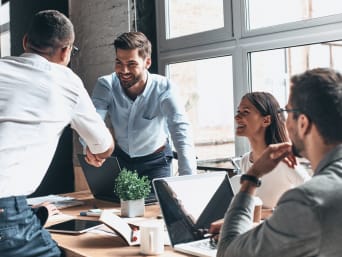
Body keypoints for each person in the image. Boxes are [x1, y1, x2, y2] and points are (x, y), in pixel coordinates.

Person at [0, 10, 114, 257]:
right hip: (6, 213)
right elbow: (104, 147)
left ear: (25, 41)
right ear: (66, 51)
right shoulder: (66, 81)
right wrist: (93, 149)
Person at [214, 68, 342, 256]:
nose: (283, 121)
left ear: (303, 123)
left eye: (287, 111)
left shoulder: (307, 201)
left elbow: (228, 252)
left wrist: (251, 178)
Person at [87, 31, 197, 183]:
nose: (123, 70)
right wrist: (90, 146)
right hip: (121, 160)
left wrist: (189, 180)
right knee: (113, 206)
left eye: (131, 64)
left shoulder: (165, 88)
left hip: (156, 162)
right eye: (119, 62)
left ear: (147, 62)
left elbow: (180, 130)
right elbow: (91, 121)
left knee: (158, 205)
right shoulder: (106, 85)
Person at [231, 92, 311, 208]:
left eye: (246, 112)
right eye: (238, 111)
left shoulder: (283, 160)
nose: (237, 117)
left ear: (266, 120)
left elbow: (314, 195)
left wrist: (269, 213)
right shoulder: (245, 161)